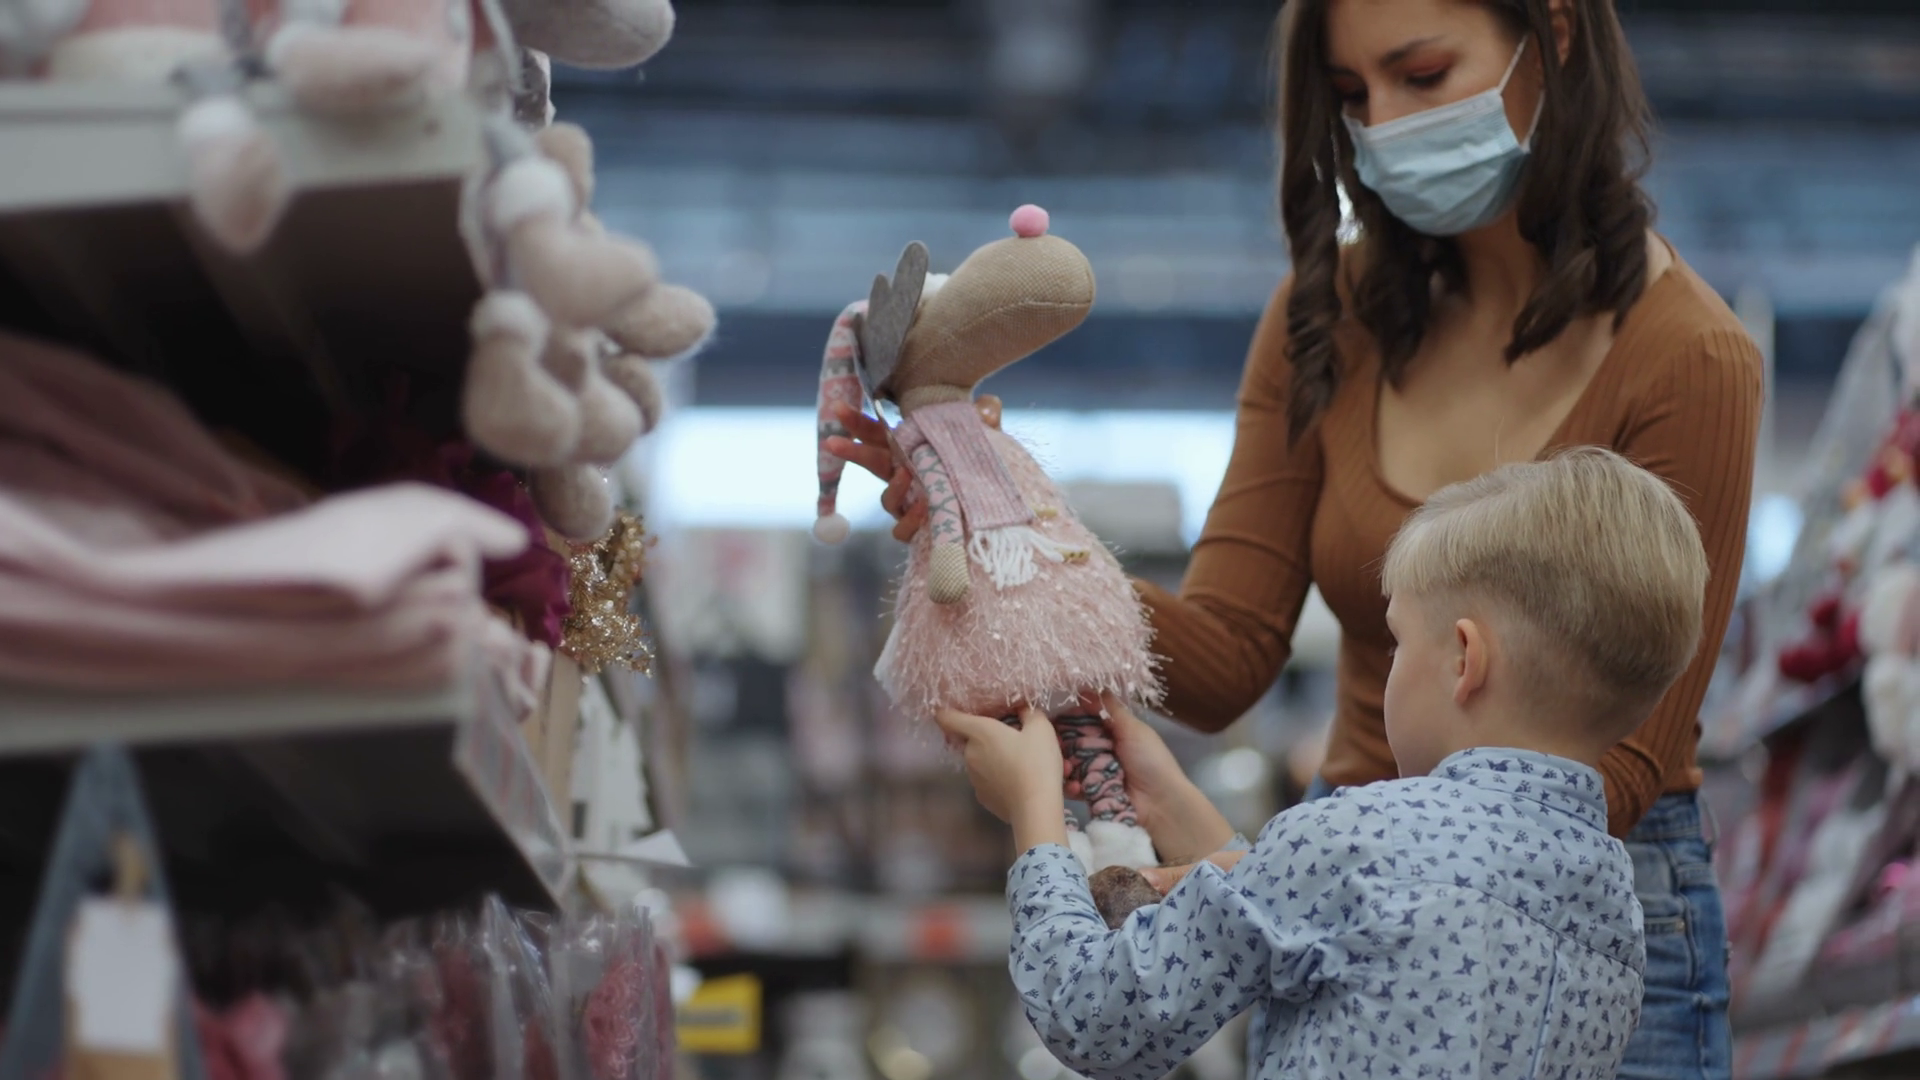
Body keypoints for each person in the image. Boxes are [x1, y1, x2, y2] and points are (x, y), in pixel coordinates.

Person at [827, 1, 1762, 1074]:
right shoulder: (1331, 315)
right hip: (1350, 864)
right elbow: (1226, 652)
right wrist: (1020, 535)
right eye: (1352, 95)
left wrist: (1275, 879)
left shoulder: (1691, 357)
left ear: (1552, 34)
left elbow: (1620, 755)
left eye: (1422, 74)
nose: (1385, 126)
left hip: (1574, 885)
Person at [938, 448, 1709, 1080]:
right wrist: (1167, 799)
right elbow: (1319, 933)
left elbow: (1095, 1016)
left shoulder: (1358, 841)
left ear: (1464, 659)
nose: (1389, 664)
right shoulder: (1615, 904)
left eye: (1396, 640)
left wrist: (1036, 813)